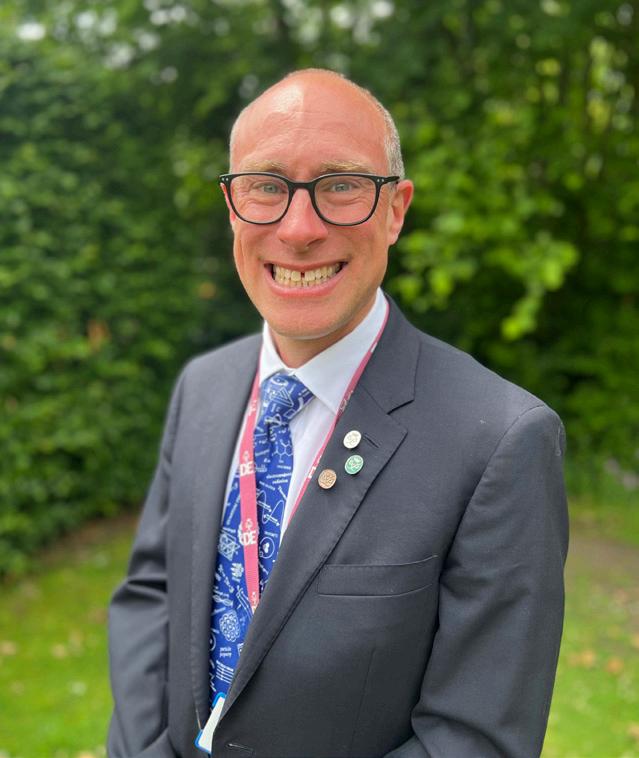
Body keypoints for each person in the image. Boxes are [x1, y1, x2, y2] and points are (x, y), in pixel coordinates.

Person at [108, 68, 568, 758]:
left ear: (395, 210)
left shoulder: (500, 441)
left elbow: (474, 739)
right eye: (266, 186)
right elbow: (153, 592)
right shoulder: (203, 387)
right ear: (232, 206)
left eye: (341, 186)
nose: (299, 229)